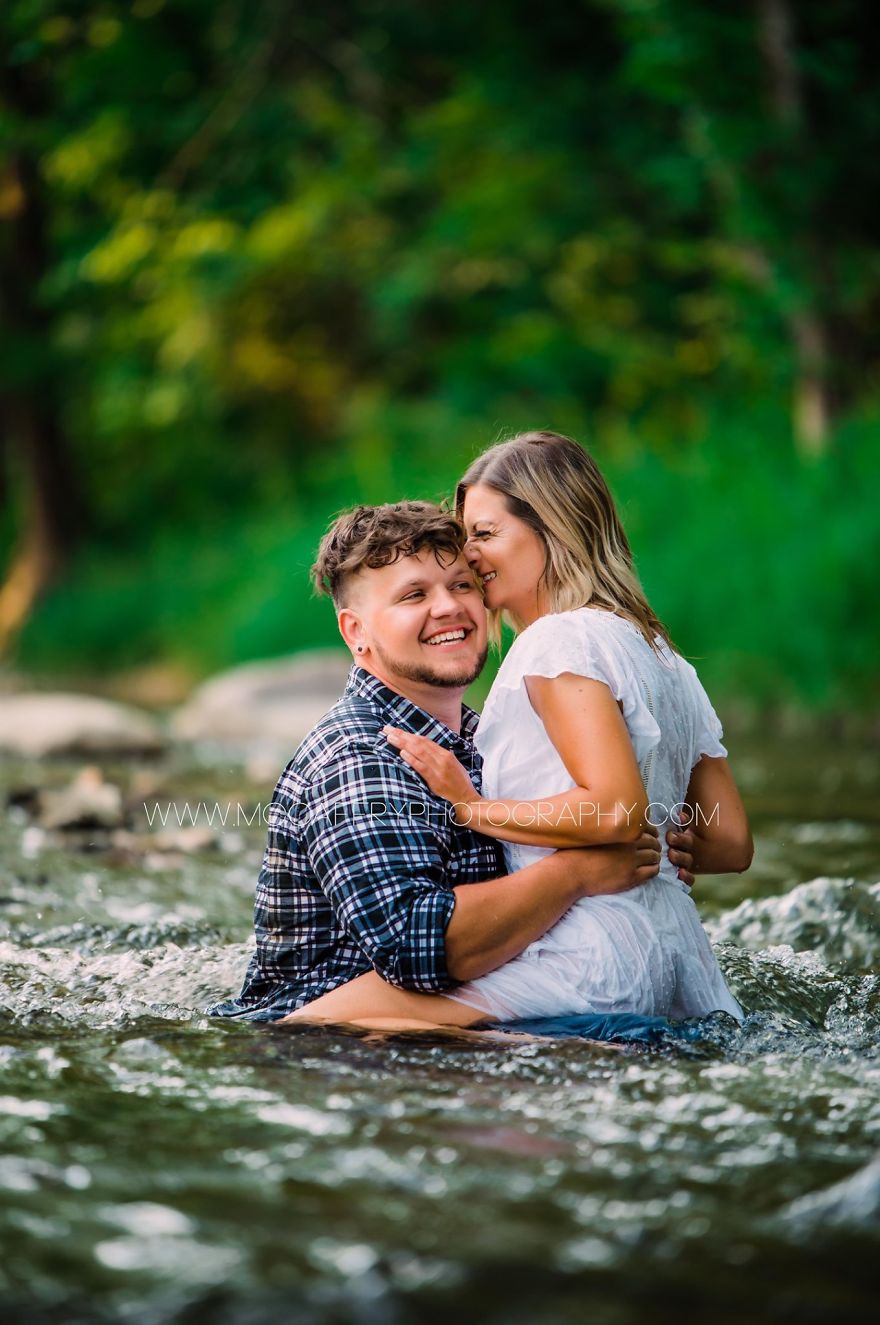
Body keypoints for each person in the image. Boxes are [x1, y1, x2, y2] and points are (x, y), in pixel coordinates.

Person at [286, 433, 751, 1029]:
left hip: (592, 955)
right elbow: (730, 842)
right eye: (416, 593)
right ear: (357, 631)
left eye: (483, 534)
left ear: (552, 527)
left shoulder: (555, 642)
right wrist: (663, 843)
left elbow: (614, 811)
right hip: (678, 954)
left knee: (306, 1028)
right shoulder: (665, 656)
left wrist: (473, 810)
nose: (470, 554)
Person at [209, 500, 683, 1027]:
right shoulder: (359, 758)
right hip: (337, 1051)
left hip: (466, 1022)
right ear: (356, 632)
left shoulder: (489, 737)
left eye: (461, 585)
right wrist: (576, 873)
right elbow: (416, 948)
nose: (449, 607)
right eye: (414, 595)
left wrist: (667, 844)